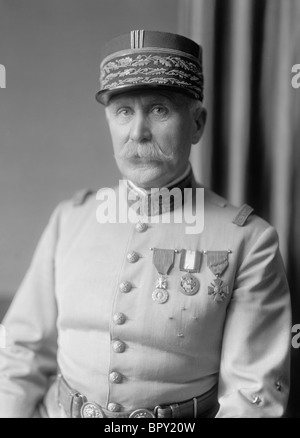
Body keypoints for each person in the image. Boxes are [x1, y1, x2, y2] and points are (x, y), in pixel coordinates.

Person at [0, 30, 291, 418]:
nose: (137, 132)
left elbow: (252, 395)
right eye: (124, 112)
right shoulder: (69, 220)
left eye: (158, 109)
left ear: (197, 124)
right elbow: (20, 351)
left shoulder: (249, 241)